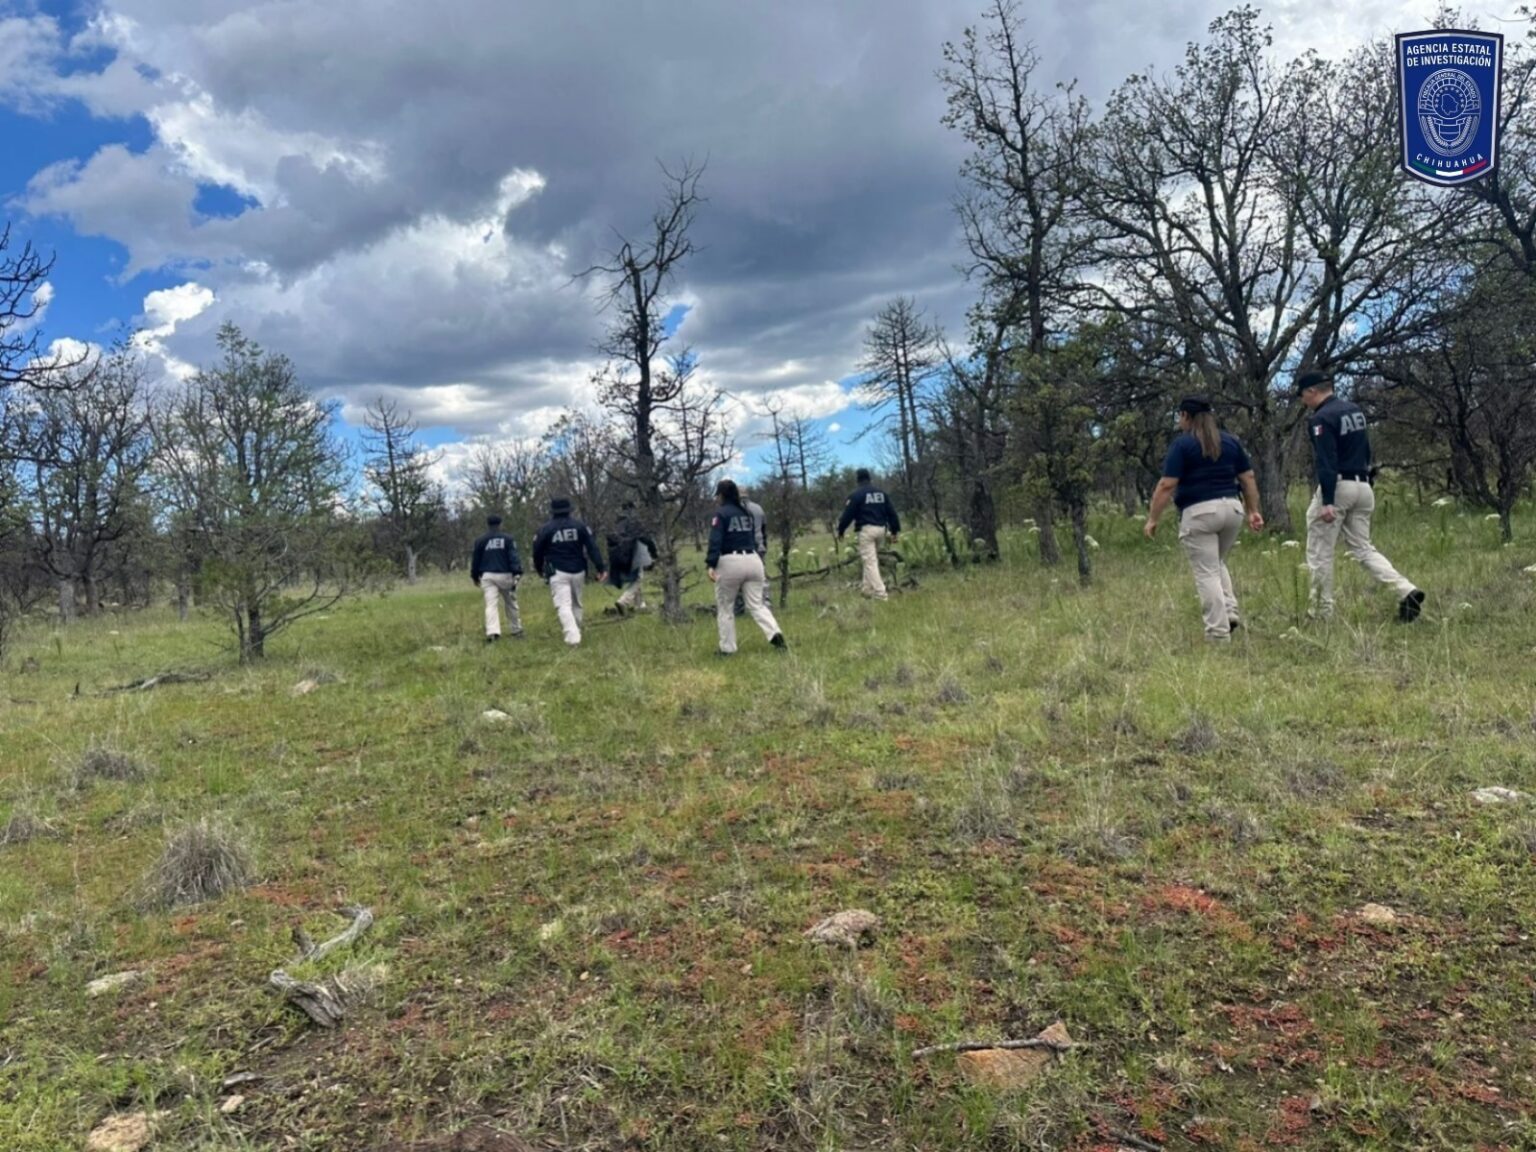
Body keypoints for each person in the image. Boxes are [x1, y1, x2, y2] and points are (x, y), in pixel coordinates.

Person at [1296, 370, 1424, 622]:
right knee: (1363, 548)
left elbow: (1326, 460)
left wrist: (1328, 501)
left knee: (1320, 552)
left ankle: (1321, 612)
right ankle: (1404, 590)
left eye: (1303, 395)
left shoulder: (1321, 418)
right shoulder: (1354, 410)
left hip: (1339, 486)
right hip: (1363, 485)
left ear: (1312, 391)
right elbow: (1365, 448)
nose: (1303, 401)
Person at [1144, 397, 1264, 641]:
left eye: (1180, 416)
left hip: (1199, 512)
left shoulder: (1182, 445)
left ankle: (1218, 633)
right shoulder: (1230, 441)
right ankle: (1229, 611)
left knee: (1206, 572)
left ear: (1185, 415)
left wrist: (1153, 518)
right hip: (1232, 509)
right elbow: (1248, 477)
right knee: (1216, 562)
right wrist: (1253, 510)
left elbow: (1167, 484)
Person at [707, 479, 785, 655]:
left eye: (718, 495)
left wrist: (711, 563)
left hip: (730, 561)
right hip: (753, 559)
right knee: (757, 605)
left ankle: (727, 648)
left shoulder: (721, 514)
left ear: (721, 495)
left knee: (726, 608)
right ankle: (775, 634)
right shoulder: (747, 513)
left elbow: (715, 540)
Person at [532, 497, 606, 646]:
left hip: (557, 571)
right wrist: (601, 567)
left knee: (563, 605)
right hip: (578, 570)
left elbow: (537, 552)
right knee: (577, 603)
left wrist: (539, 569)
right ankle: (576, 630)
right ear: (569, 510)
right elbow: (592, 548)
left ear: (552, 511)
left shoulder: (545, 529)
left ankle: (573, 637)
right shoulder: (580, 526)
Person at [836, 468, 901, 600]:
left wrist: (841, 530)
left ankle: (881, 594)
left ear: (857, 480)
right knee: (870, 559)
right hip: (881, 530)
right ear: (869, 478)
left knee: (870, 562)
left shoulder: (856, 495)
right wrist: (894, 531)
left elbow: (847, 515)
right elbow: (892, 513)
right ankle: (867, 590)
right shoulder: (881, 494)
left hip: (866, 530)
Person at [469, 515, 524, 642]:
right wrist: (517, 572)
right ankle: (516, 630)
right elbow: (513, 557)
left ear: (488, 524)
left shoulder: (480, 540)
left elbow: (475, 560)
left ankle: (493, 632)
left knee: (491, 605)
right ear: (500, 524)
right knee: (511, 604)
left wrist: (474, 576)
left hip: (488, 576)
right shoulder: (508, 539)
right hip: (506, 575)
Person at [607, 501, 658, 614]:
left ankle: (640, 605)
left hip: (618, 555)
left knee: (637, 578)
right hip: (632, 553)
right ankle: (623, 601)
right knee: (638, 579)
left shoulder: (618, 523)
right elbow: (645, 538)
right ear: (632, 508)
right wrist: (654, 553)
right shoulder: (633, 521)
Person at [732, 485, 768, 617]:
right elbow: (764, 530)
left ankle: (739, 607)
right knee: (760, 577)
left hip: (741, 549)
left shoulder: (733, 510)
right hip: (758, 548)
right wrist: (764, 546)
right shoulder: (758, 508)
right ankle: (765, 604)